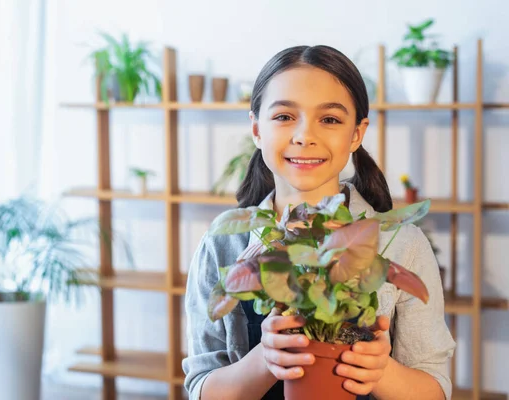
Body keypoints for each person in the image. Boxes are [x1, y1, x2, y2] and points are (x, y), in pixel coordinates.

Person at [182, 45, 456, 400]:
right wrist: (265, 360)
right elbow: (201, 388)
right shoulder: (223, 243)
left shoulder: (401, 243)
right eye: (283, 117)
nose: (304, 136)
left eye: (329, 119)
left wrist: (382, 371)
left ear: (356, 133)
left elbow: (435, 391)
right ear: (256, 128)